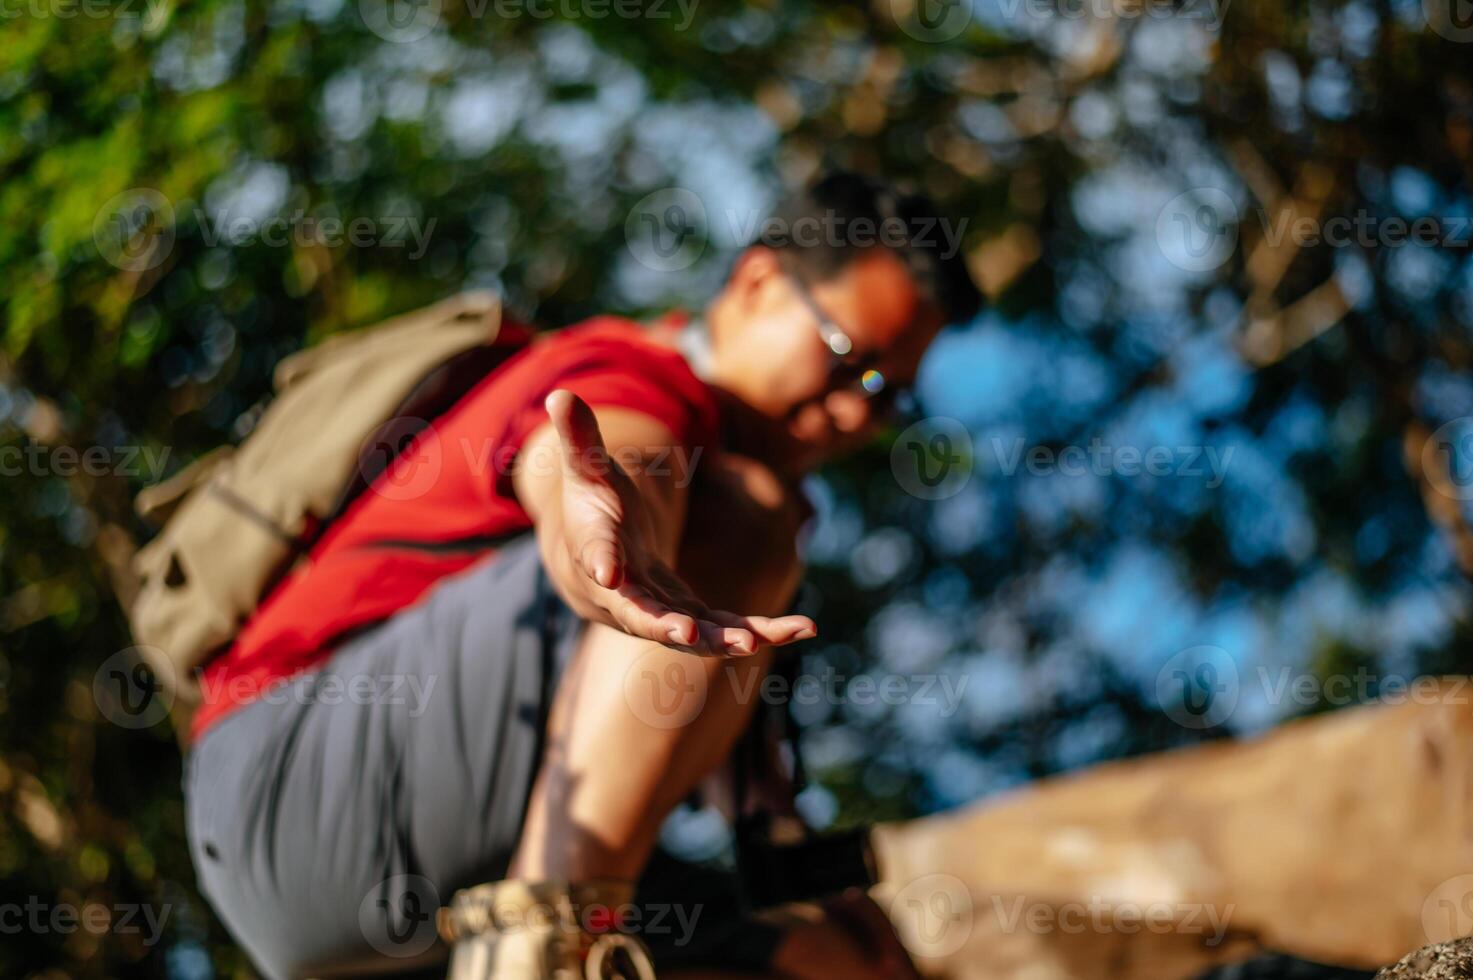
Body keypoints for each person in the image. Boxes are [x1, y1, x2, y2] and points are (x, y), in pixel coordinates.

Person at [182, 171, 981, 979]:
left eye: (889, 399)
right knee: (745, 515)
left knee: (836, 962)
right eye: (853, 361)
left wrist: (825, 894)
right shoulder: (627, 372)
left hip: (434, 867)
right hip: (291, 785)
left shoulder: (743, 518)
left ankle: (552, 930)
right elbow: (607, 465)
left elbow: (741, 795)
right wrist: (610, 544)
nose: (855, 413)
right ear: (758, 282)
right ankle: (545, 944)